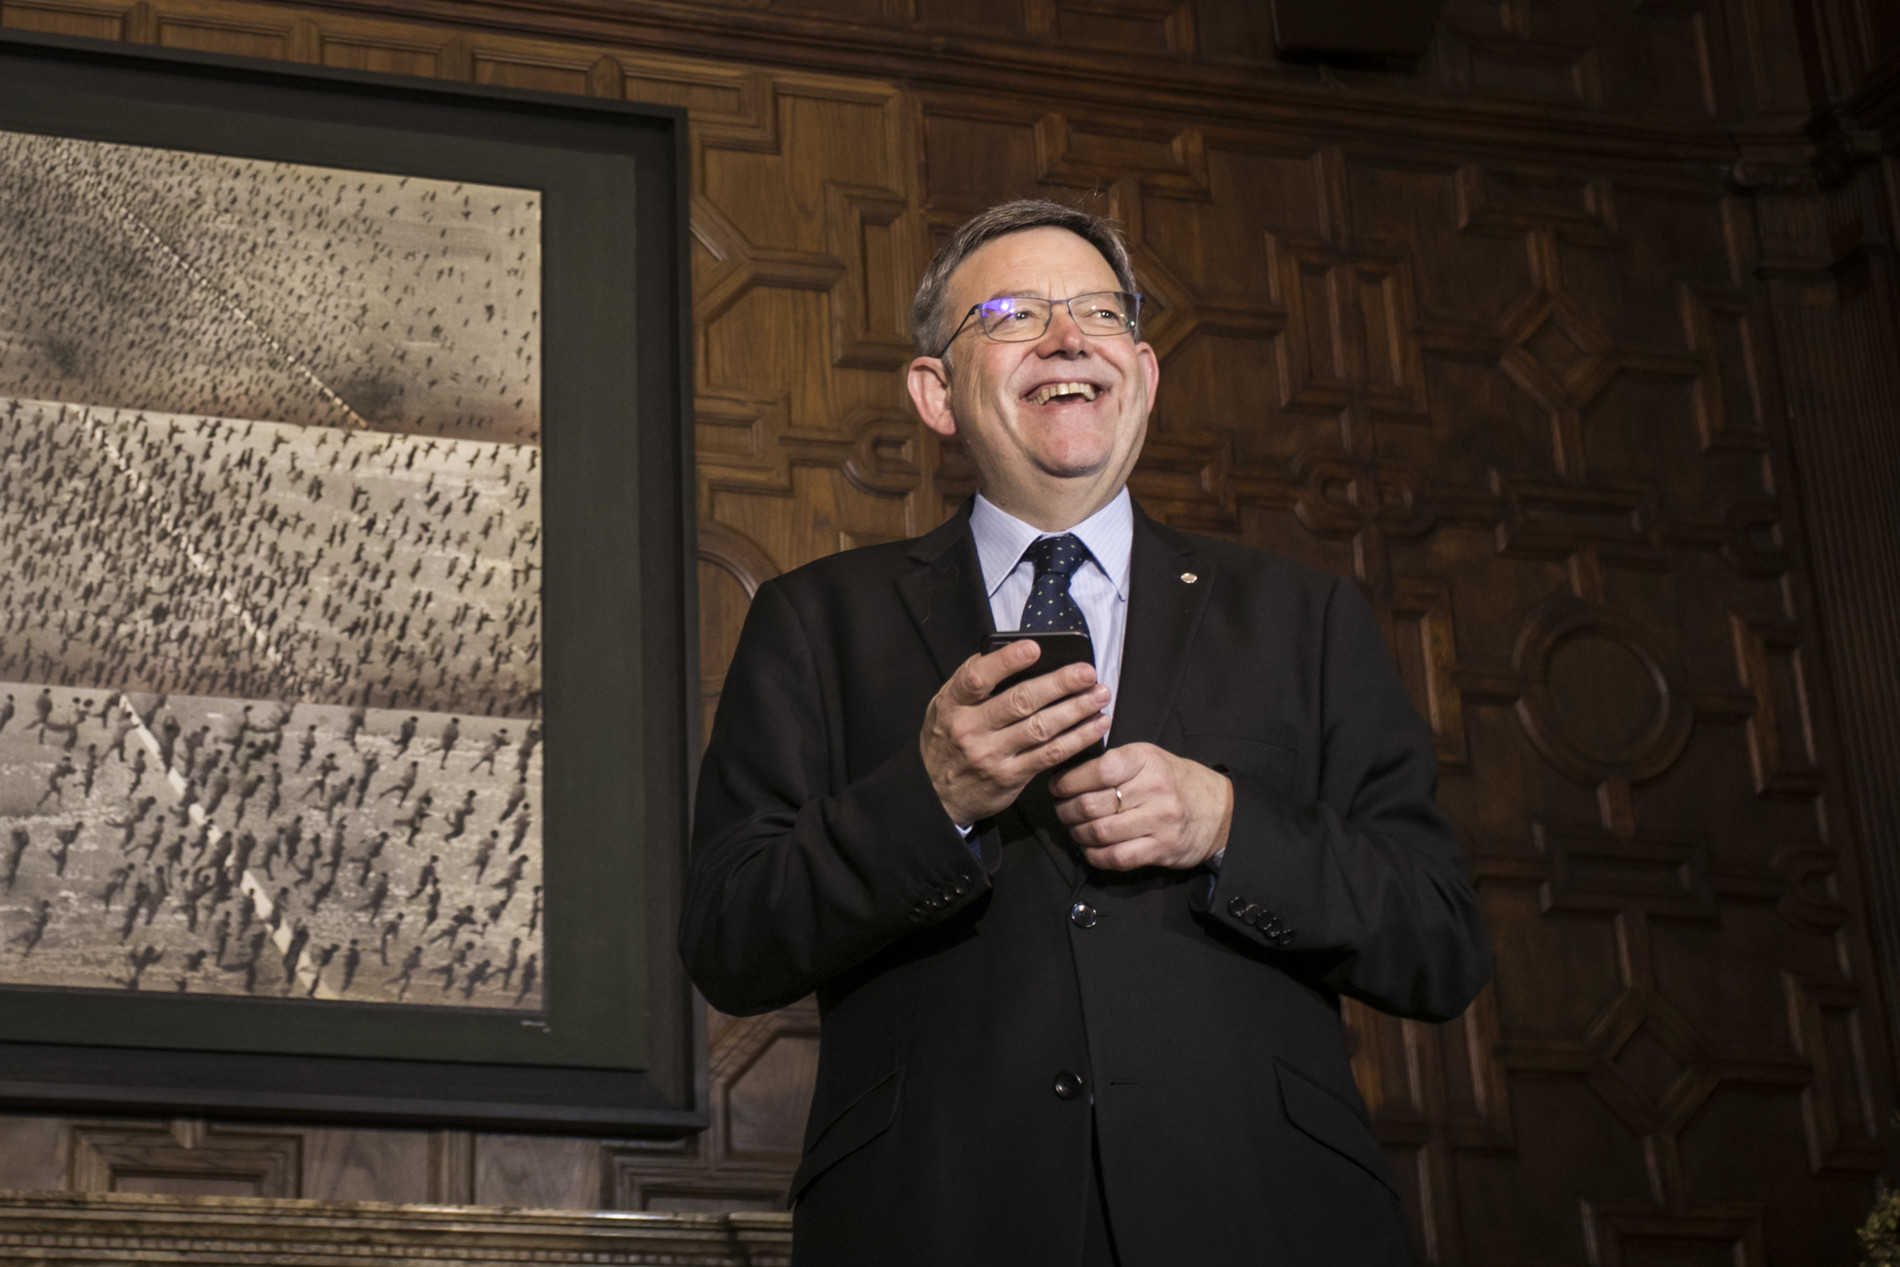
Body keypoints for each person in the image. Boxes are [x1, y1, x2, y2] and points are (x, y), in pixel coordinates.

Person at [679, 199, 1491, 1267]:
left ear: (1142, 375)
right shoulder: (818, 619)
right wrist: (929, 798)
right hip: (937, 1214)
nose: (1068, 337)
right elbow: (733, 940)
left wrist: (1228, 825)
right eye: (1014, 312)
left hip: (1263, 1212)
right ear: (936, 392)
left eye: (1099, 313)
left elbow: (1438, 940)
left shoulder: (1302, 616)